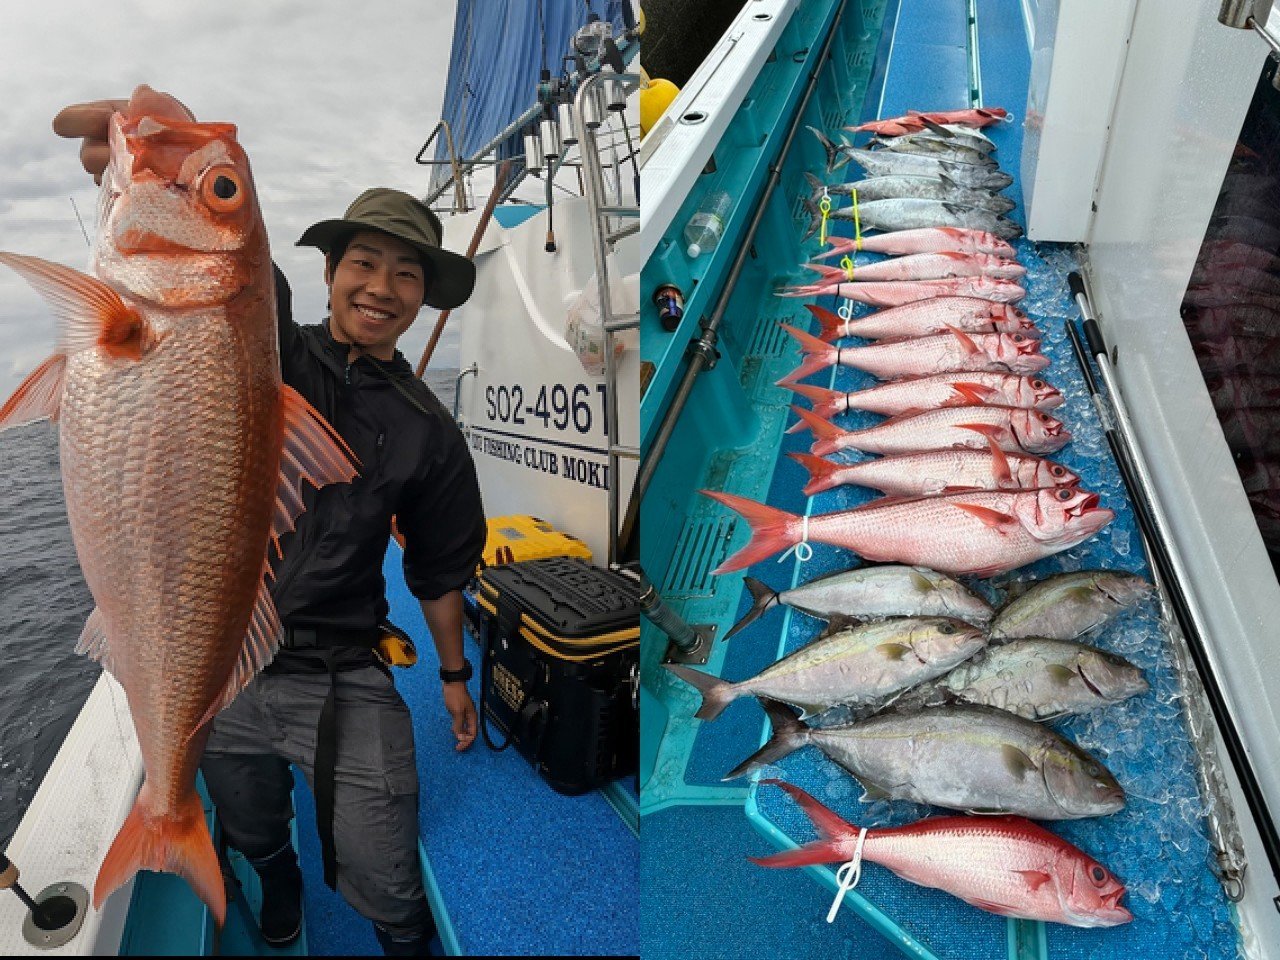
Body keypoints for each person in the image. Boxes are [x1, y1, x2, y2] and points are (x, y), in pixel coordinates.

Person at [54, 93, 487, 957]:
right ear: (330, 273)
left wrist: (450, 675)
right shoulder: (268, 349)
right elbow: (231, 290)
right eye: (365, 264)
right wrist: (134, 171)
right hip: (227, 664)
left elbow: (440, 568)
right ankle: (273, 874)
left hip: (346, 667)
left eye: (408, 276)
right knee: (249, 818)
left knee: (382, 859)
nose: (383, 288)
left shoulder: (428, 429)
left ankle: (398, 931)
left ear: (424, 301)